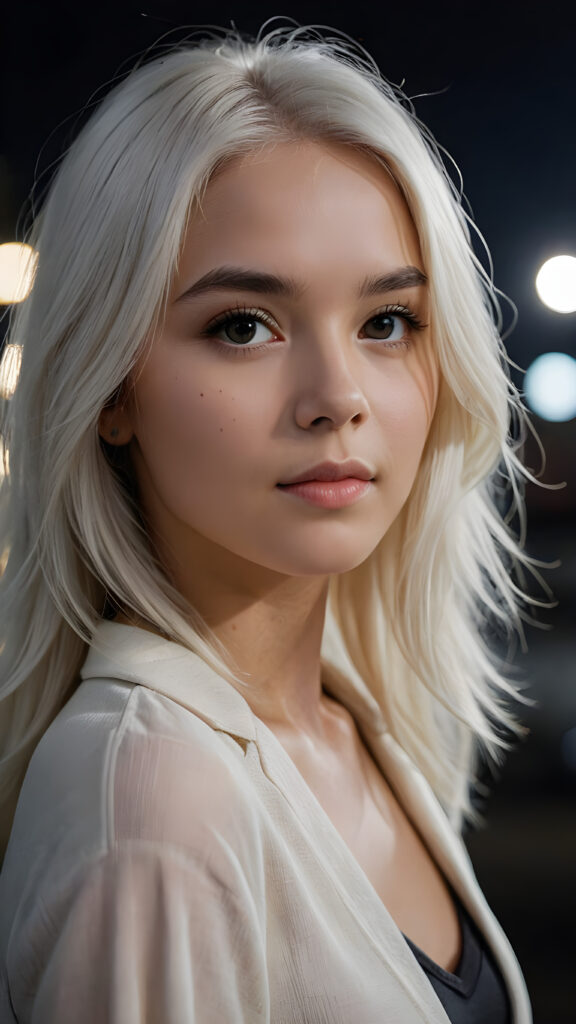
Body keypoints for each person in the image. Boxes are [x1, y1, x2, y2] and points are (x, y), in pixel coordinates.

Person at [0, 23, 539, 1023]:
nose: (337, 396)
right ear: (108, 386)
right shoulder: (149, 801)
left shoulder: (356, 719)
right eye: (243, 326)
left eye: (387, 322)